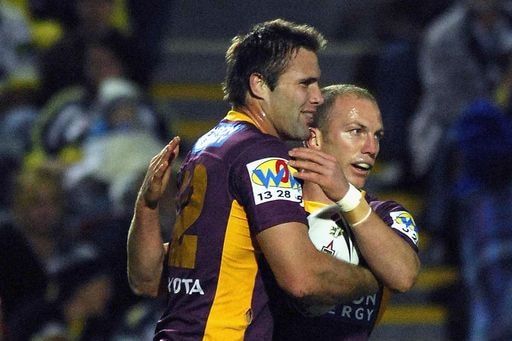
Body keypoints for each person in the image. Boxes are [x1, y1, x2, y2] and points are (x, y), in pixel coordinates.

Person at [127, 19, 408, 340]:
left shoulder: (210, 144)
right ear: (259, 85)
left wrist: (147, 208)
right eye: (305, 83)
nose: (317, 97)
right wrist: (371, 278)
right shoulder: (262, 155)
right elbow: (302, 280)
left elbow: (146, 279)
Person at [271, 84, 420, 340]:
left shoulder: (386, 215)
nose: (371, 148)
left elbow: (403, 275)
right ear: (315, 138)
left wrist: (345, 196)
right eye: (356, 131)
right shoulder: (274, 205)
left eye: (377, 136)